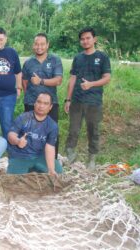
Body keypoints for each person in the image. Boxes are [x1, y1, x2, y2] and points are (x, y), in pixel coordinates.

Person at [64, 27, 111, 169]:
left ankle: (92, 158)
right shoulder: (78, 58)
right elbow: (72, 79)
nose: (85, 41)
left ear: (94, 39)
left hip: (94, 102)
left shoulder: (102, 57)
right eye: (82, 39)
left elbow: (107, 78)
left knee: (93, 130)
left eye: (88, 38)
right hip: (77, 100)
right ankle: (70, 154)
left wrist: (91, 84)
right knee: (73, 130)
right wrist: (68, 99)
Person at [22, 33, 63, 156]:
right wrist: (30, 96)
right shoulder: (28, 62)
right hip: (31, 102)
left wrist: (41, 81)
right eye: (36, 44)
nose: (39, 47)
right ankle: (32, 158)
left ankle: (52, 159)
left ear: (47, 45)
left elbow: (58, 80)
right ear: (33, 45)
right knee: (30, 132)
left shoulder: (55, 60)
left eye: (42, 44)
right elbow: (24, 82)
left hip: (51, 104)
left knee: (52, 131)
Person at [7, 92, 62, 176]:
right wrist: (18, 141)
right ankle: (30, 169)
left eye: (45, 103)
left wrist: (51, 169)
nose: (41, 106)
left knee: (58, 171)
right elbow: (11, 135)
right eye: (39, 102)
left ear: (50, 107)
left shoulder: (52, 125)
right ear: (35, 103)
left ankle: (35, 168)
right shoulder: (24, 117)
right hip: (20, 156)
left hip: (40, 156)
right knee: (13, 179)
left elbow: (50, 147)